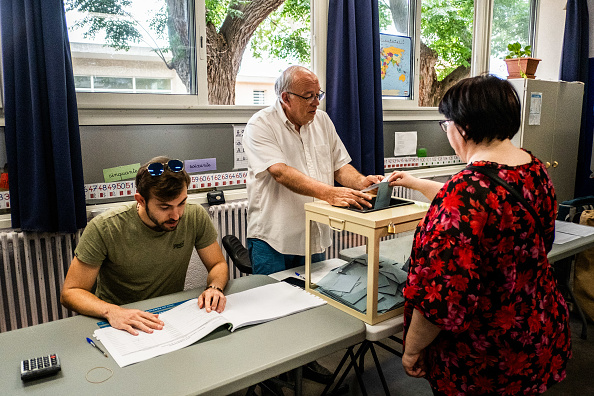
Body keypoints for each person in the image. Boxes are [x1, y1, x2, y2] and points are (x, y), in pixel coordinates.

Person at [388, 75, 571, 395]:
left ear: (464, 127)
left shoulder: (464, 194)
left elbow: (439, 301)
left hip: (483, 357)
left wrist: (412, 348)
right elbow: (480, 204)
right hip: (534, 330)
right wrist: (416, 183)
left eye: (447, 125)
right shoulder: (533, 168)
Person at [61, 156, 229, 336]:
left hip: (167, 317)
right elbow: (71, 292)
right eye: (164, 207)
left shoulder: (194, 216)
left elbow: (217, 264)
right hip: (118, 321)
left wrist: (215, 287)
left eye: (181, 203)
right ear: (140, 200)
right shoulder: (106, 227)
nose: (176, 215)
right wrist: (111, 311)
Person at [242, 65, 383, 275]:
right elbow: (280, 172)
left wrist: (361, 183)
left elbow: (339, 167)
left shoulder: (322, 121)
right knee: (273, 303)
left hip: (313, 234)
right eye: (309, 96)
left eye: (318, 95)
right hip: (273, 239)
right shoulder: (261, 124)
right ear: (286, 98)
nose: (317, 102)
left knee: (314, 300)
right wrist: (330, 193)